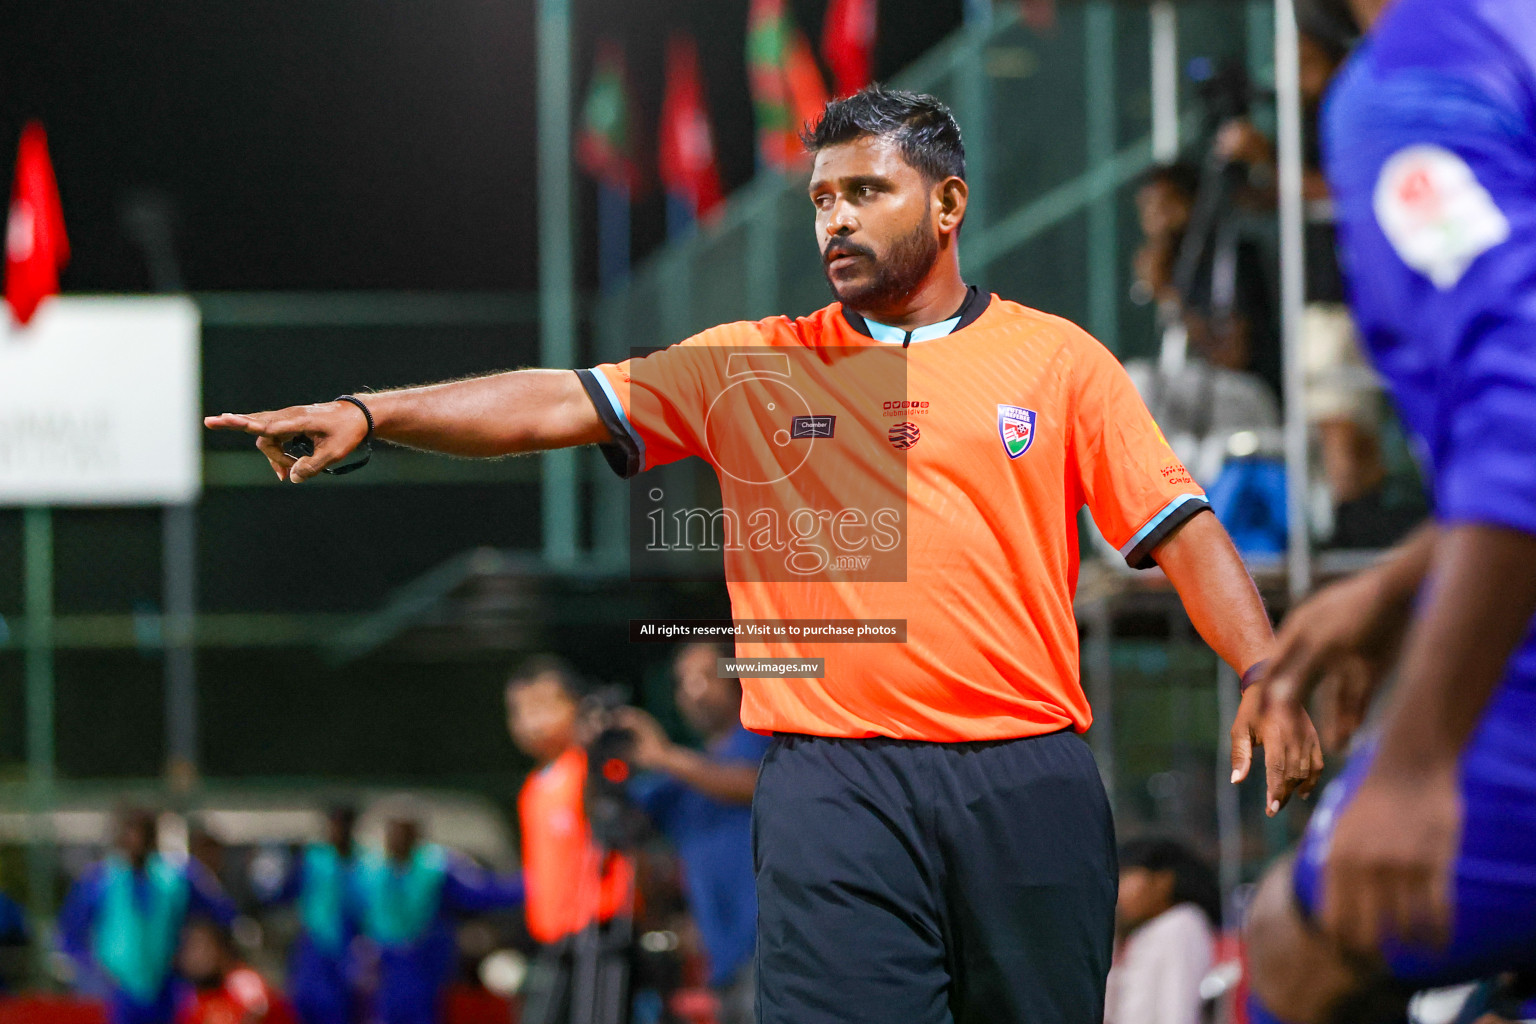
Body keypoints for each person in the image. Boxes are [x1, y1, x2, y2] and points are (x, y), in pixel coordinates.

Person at [208, 85, 1324, 1024]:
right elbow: (555, 398)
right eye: (822, 199)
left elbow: (1179, 527)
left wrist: (1266, 669)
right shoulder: (757, 365)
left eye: (865, 192)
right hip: (833, 781)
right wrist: (373, 410)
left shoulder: (1058, 361)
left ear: (948, 205)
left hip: (1026, 777)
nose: (835, 219)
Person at [1242, 0, 1536, 1022]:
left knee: (1295, 953)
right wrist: (1403, 579)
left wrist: (1416, 760)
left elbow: (1525, 411)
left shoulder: (1423, 71)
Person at [615, 643, 769, 1024]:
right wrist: (596, 752)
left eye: (705, 676)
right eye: (683, 683)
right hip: (721, 961)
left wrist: (664, 754)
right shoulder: (680, 778)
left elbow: (753, 784)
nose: (694, 690)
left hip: (768, 953)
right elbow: (620, 815)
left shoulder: (762, 740)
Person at [505, 657, 636, 1024]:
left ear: (577, 708)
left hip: (596, 938)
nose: (531, 720)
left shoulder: (587, 768)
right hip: (551, 940)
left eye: (543, 706)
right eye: (519, 710)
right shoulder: (533, 787)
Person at [58, 808, 238, 1024]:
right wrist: (94, 974)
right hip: (116, 990)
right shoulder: (100, 879)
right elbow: (70, 933)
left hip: (168, 984)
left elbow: (223, 915)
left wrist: (198, 957)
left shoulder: (176, 878)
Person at [352, 815, 523, 1024]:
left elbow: (483, 893)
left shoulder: (436, 869)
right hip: (384, 970)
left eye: (406, 834)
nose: (399, 840)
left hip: (426, 966)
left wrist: (532, 884)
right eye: (394, 833)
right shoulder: (369, 871)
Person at [1103, 838, 1221, 1024]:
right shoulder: (1140, 933)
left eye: (1126, 876)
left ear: (1163, 881)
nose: (1120, 889)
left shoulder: (1181, 925)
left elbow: (1179, 1013)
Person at [261, 806, 360, 1024]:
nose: (338, 830)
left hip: (348, 954)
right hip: (312, 952)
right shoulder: (312, 859)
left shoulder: (364, 864)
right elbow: (277, 895)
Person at [174, 917, 294, 1024]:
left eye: (203, 947)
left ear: (220, 948)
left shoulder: (242, 982)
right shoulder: (192, 1001)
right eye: (190, 950)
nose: (196, 957)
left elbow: (255, 1010)